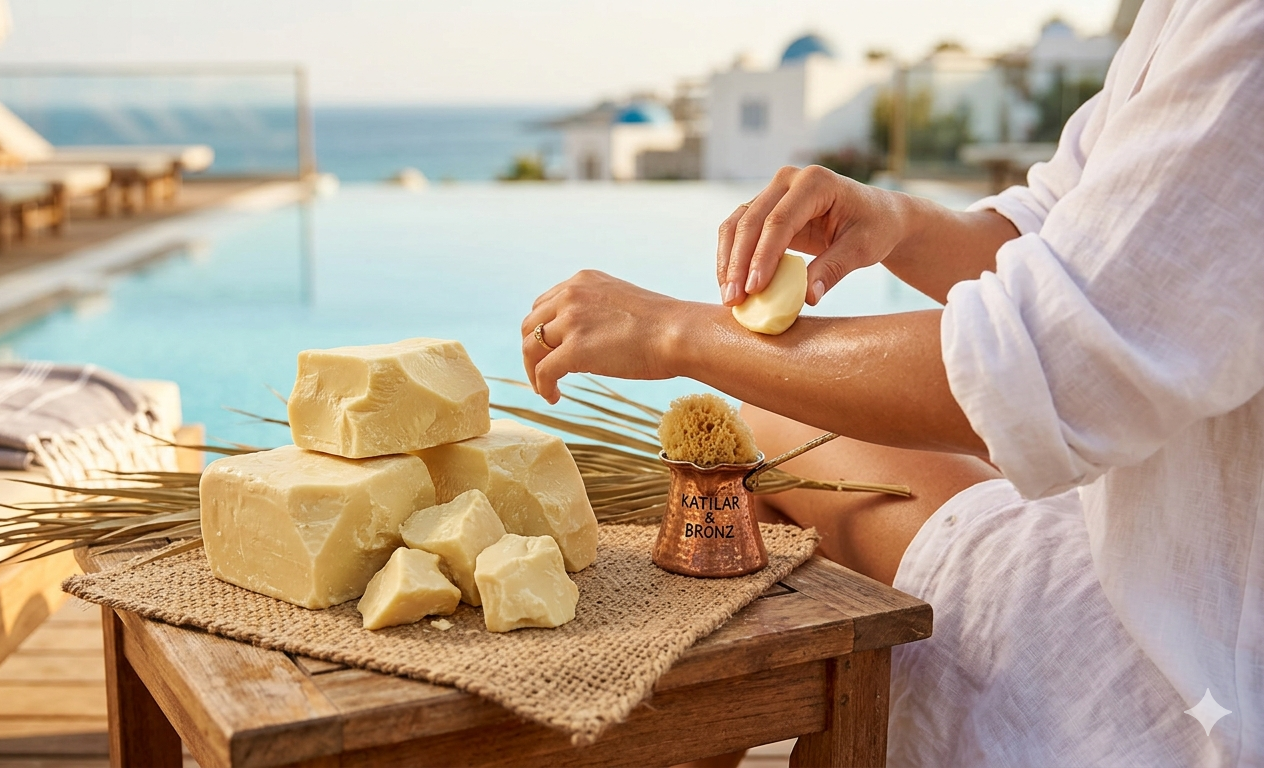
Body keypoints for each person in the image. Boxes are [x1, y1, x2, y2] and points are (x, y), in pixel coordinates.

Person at [521, 0, 1261, 764]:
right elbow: (1060, 229)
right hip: (1147, 566)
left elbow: (1050, 367)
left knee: (767, 445)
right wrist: (898, 220)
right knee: (772, 430)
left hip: (1196, 680)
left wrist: (673, 333)